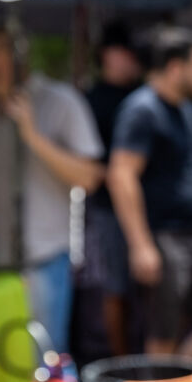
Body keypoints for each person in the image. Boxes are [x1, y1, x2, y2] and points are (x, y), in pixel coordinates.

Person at [0, 24, 105, 355]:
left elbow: (89, 177)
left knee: (44, 364)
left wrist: (32, 135)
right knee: (4, 362)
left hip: (42, 261)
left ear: (10, 56)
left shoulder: (59, 102)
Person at [107, 26, 192, 361]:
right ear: (175, 68)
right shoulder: (142, 109)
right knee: (163, 333)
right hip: (162, 237)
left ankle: (173, 379)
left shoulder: (185, 109)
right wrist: (141, 245)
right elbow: (121, 174)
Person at [83, 21, 143, 357]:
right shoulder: (92, 99)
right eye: (126, 52)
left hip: (146, 207)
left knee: (145, 290)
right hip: (107, 207)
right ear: (108, 54)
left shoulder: (142, 94)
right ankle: (120, 361)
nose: (132, 60)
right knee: (115, 287)